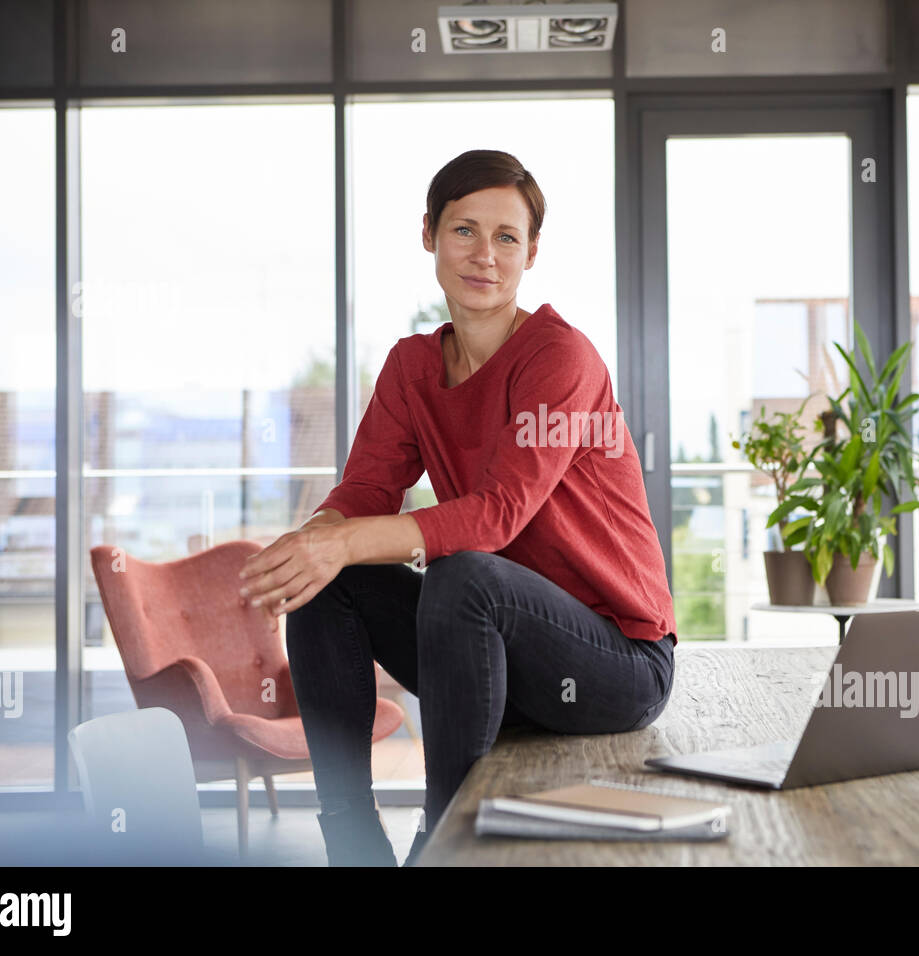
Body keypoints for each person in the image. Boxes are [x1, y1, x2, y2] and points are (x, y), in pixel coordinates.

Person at [236, 149, 677, 867]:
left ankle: (441, 843)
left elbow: (497, 515)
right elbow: (363, 495)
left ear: (532, 252)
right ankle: (350, 839)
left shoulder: (560, 358)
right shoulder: (413, 366)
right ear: (429, 235)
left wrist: (342, 541)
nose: (485, 255)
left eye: (507, 237)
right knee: (332, 574)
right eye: (464, 230)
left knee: (463, 570)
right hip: (491, 656)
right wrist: (314, 541)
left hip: (616, 663)